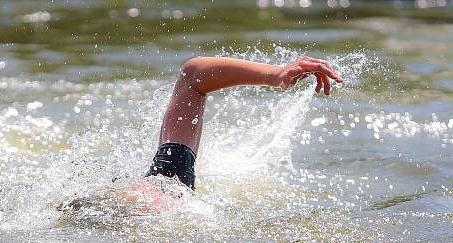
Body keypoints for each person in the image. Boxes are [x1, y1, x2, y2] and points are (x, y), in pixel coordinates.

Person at [145, 56, 344, 189]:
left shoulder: (168, 182)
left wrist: (277, 76)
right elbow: (192, 76)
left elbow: (193, 75)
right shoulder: (169, 185)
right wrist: (276, 76)